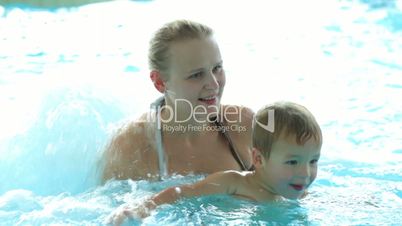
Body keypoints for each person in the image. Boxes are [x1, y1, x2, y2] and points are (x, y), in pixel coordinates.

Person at [109, 101, 323, 225]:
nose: (305, 172)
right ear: (258, 159)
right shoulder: (234, 182)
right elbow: (182, 192)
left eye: (313, 161)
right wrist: (145, 207)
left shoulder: (296, 193)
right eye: (292, 162)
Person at [101, 19, 254, 182]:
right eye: (196, 75)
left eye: (217, 68)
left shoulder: (244, 126)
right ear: (159, 82)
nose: (214, 84)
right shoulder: (132, 146)